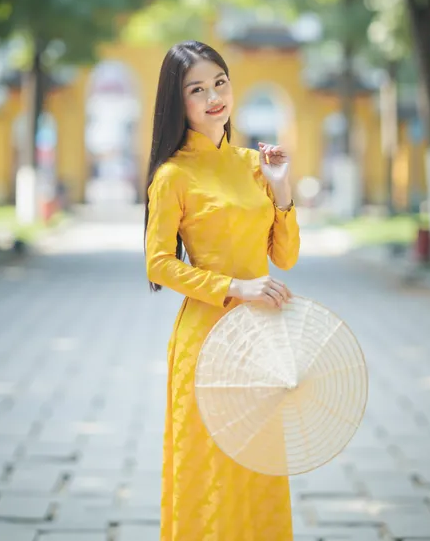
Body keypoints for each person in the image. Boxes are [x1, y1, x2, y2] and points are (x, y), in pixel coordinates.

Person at [144, 40, 300, 540]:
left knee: (258, 471)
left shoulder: (254, 164)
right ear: (177, 101)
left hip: (259, 341)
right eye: (197, 89)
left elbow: (285, 258)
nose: (214, 96)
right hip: (207, 341)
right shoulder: (173, 176)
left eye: (220, 83)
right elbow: (159, 264)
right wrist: (235, 287)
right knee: (208, 476)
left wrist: (281, 188)